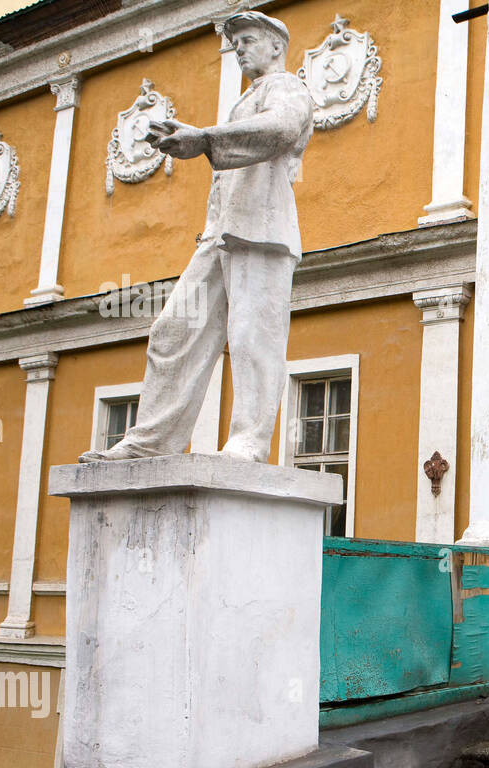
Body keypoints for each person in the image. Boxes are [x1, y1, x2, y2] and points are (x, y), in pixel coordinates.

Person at [79, 11, 314, 464]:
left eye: (247, 40)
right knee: (172, 330)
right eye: (237, 43)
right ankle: (151, 441)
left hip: (261, 233)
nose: (240, 50)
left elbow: (282, 128)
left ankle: (248, 442)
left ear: (275, 47)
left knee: (253, 338)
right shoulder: (246, 101)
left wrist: (205, 138)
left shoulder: (287, 87)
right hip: (220, 236)